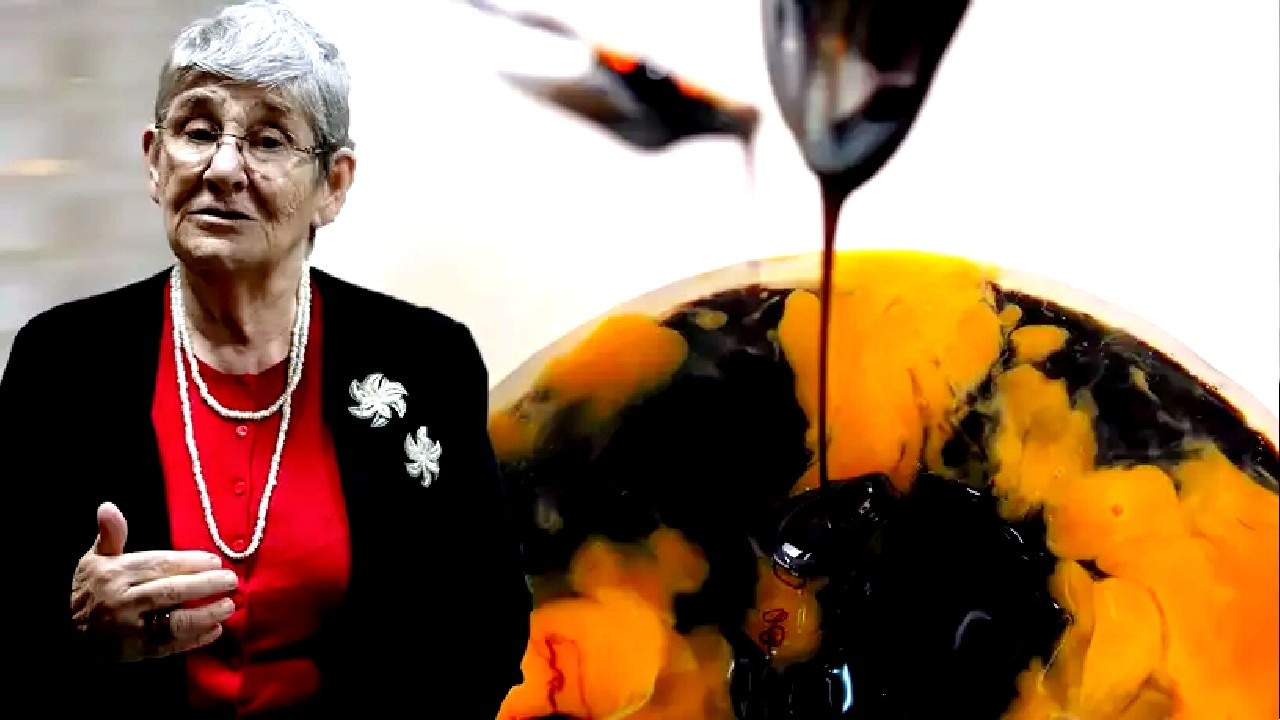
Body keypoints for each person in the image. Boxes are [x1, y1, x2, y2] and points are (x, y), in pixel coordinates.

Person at [0, 2, 531, 717]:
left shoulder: (427, 359)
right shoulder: (61, 361)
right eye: (197, 132)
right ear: (155, 160)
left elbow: (488, 626)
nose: (223, 168)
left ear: (333, 185)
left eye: (268, 140)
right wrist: (74, 628)